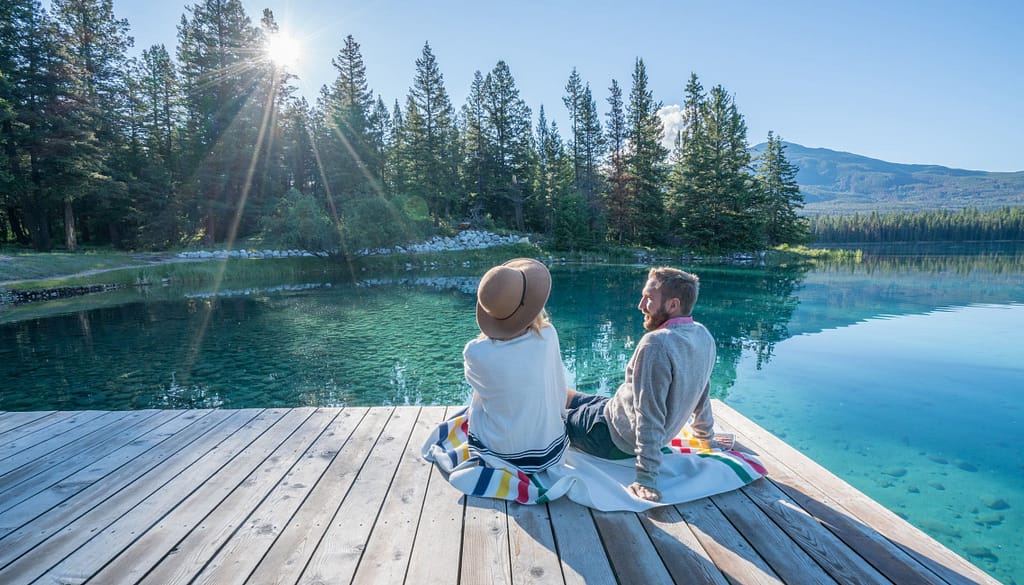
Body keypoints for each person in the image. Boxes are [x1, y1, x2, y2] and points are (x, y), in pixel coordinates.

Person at [565, 267, 718, 502]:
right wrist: (706, 439)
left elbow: (649, 413)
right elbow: (701, 390)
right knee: (569, 397)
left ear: (673, 305)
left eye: (648, 299)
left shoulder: (656, 344)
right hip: (617, 410)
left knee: (549, 417)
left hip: (611, 436)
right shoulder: (702, 335)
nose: (640, 305)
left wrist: (646, 477)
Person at [463, 258, 570, 474]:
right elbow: (558, 384)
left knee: (479, 400)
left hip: (502, 452)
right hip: (549, 450)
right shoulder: (548, 335)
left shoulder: (475, 352)